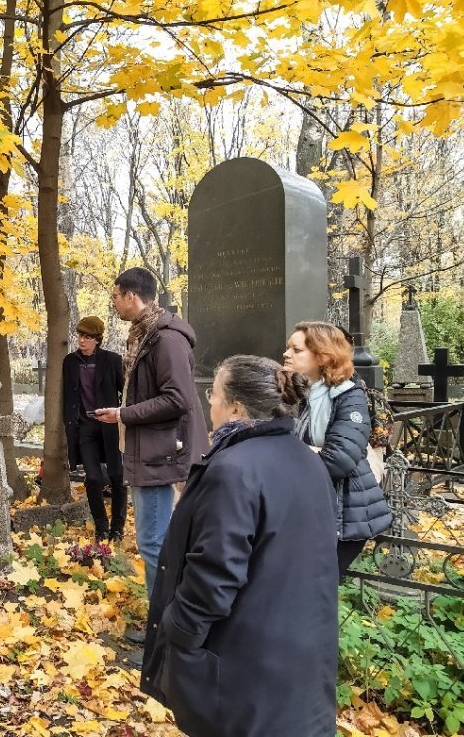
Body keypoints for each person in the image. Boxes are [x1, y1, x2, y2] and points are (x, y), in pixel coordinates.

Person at [141, 355, 339, 737]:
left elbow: (213, 575)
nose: (208, 404)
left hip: (240, 671)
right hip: (298, 663)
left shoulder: (233, 469)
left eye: (212, 395)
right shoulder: (308, 461)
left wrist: (178, 635)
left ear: (235, 407)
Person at [94, 267, 206, 595]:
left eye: (115, 296)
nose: (113, 303)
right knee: (154, 543)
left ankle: (164, 627)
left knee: (154, 544)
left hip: (160, 455)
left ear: (132, 296)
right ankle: (165, 621)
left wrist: (124, 414)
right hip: (150, 451)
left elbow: (178, 399)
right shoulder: (144, 334)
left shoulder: (165, 338)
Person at [283, 321, 393, 578]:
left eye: (296, 350)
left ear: (323, 356)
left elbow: (338, 460)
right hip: (313, 506)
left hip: (345, 513)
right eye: (288, 348)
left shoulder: (348, 396)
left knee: (313, 587)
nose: (287, 354)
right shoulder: (302, 393)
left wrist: (291, 457)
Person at [62, 316, 125, 542]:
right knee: (94, 478)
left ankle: (118, 527)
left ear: (97, 339)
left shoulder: (112, 360)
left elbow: (124, 392)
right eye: (80, 336)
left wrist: (121, 415)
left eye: (87, 337)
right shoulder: (70, 362)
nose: (82, 341)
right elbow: (67, 395)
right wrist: (69, 423)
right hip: (85, 428)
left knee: (117, 476)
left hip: (110, 427)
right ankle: (102, 526)